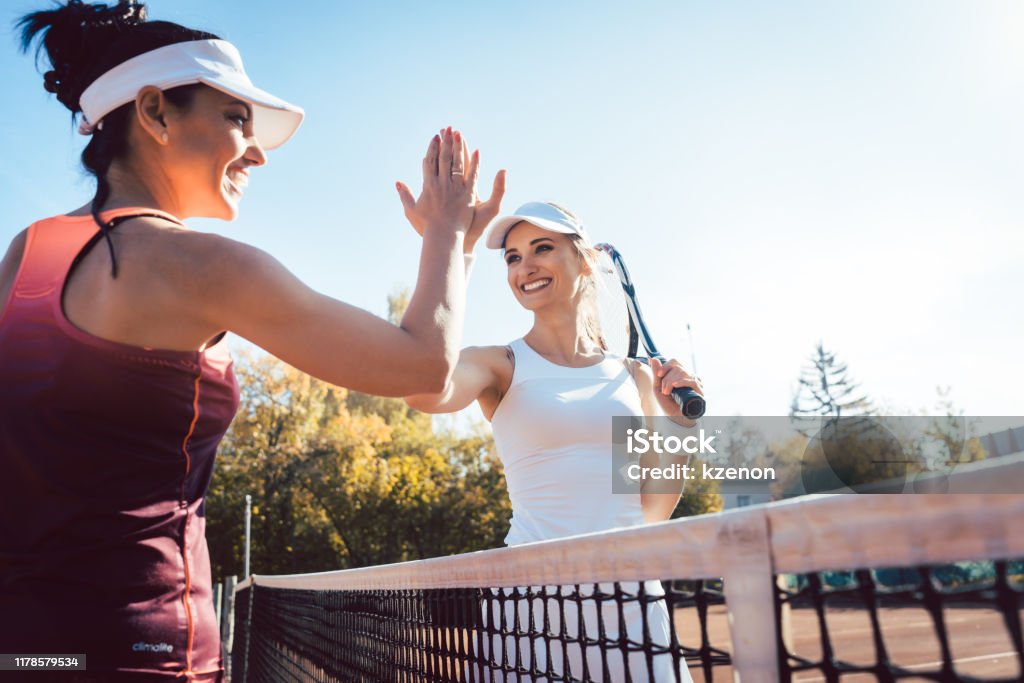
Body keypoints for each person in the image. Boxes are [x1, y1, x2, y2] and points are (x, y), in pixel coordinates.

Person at [0, 1, 504, 680]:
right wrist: (450, 235)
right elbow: (421, 365)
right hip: (144, 656)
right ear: (154, 113)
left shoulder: (25, 254)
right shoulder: (205, 266)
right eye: (237, 118)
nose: (259, 150)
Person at [404, 201, 703, 681]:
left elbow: (650, 511)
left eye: (543, 248)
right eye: (514, 257)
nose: (526, 267)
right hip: (530, 605)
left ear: (584, 260)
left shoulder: (635, 377)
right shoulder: (498, 363)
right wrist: (448, 248)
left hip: (629, 601)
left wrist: (681, 431)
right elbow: (419, 387)